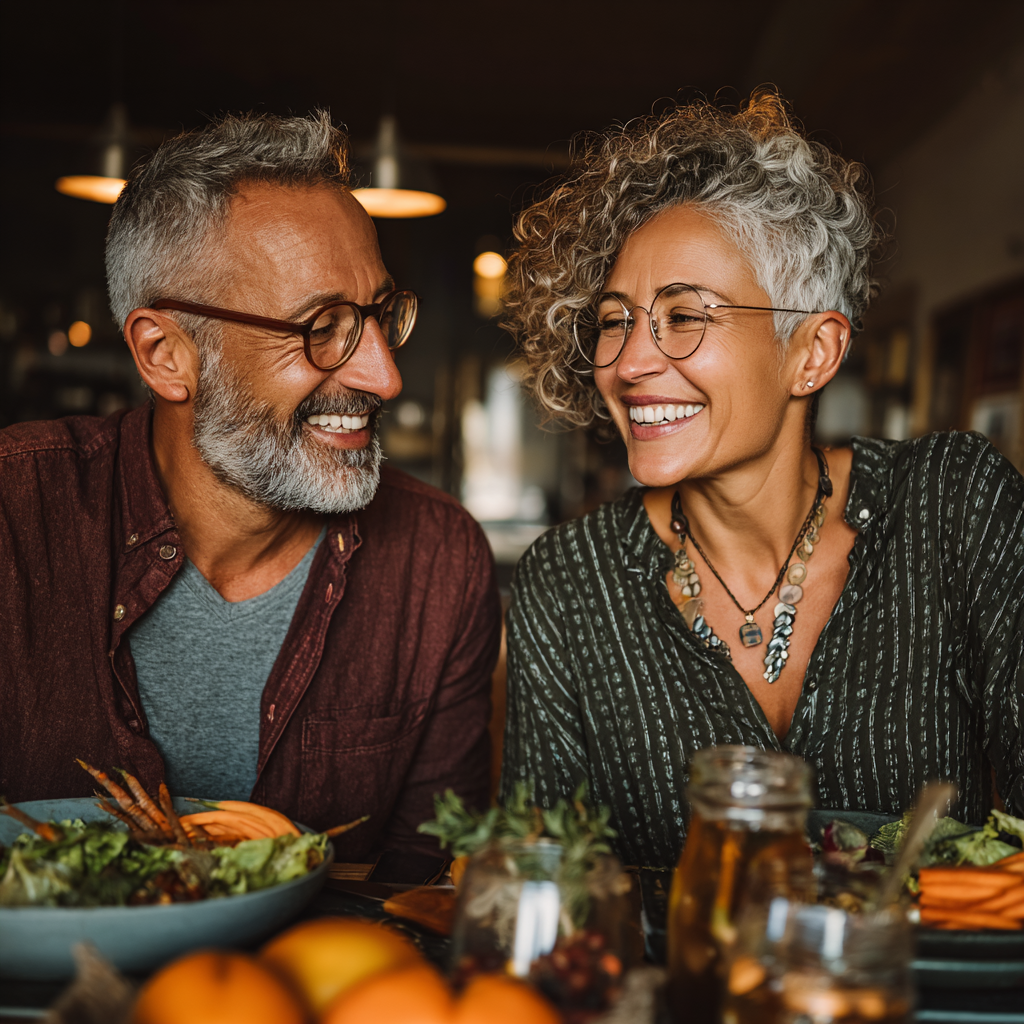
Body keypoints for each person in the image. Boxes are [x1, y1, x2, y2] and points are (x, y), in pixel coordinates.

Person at [500, 91, 1024, 869]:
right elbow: (539, 887)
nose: (630, 363)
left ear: (811, 352)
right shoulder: (569, 583)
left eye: (684, 316)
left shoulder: (954, 504)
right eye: (615, 320)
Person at [0, 112, 501, 861]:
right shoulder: (13, 513)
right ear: (166, 354)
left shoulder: (437, 560)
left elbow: (415, 902)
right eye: (321, 326)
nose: (384, 376)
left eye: (380, 316)